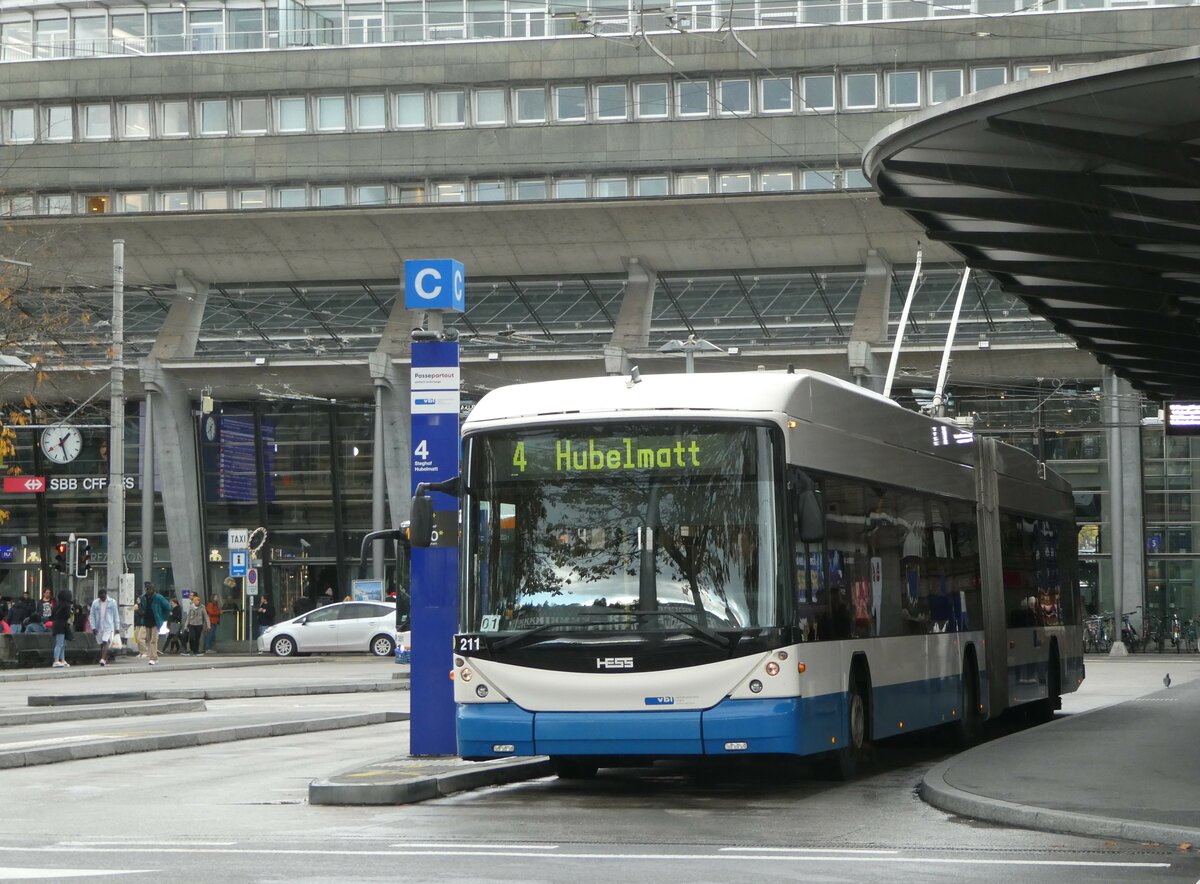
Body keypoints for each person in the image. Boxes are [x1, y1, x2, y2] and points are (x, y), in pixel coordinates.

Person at [137, 585, 171, 665]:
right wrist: (141, 612)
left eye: (149, 589)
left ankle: (153, 657)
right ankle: (153, 656)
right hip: (147, 620)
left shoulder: (158, 597)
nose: (147, 591)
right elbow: (141, 607)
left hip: (156, 621)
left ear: (153, 590)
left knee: (153, 640)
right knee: (149, 639)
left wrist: (162, 617)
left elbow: (168, 607)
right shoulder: (143, 598)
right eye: (146, 589)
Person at [89, 587, 121, 667]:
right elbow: (92, 615)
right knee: (101, 643)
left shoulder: (112, 602)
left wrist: (117, 627)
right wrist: (93, 627)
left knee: (105, 641)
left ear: (106, 595)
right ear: (98, 596)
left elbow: (116, 615)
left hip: (108, 626)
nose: (102, 598)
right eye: (101, 597)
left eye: (104, 597)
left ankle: (102, 659)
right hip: (98, 626)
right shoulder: (95, 603)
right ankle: (105, 660)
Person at [50, 590, 72, 668]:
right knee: (60, 643)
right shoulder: (67, 604)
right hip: (62, 624)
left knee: (61, 643)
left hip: (56, 623)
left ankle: (62, 660)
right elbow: (67, 615)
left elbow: (52, 615)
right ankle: (56, 660)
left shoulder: (57, 604)